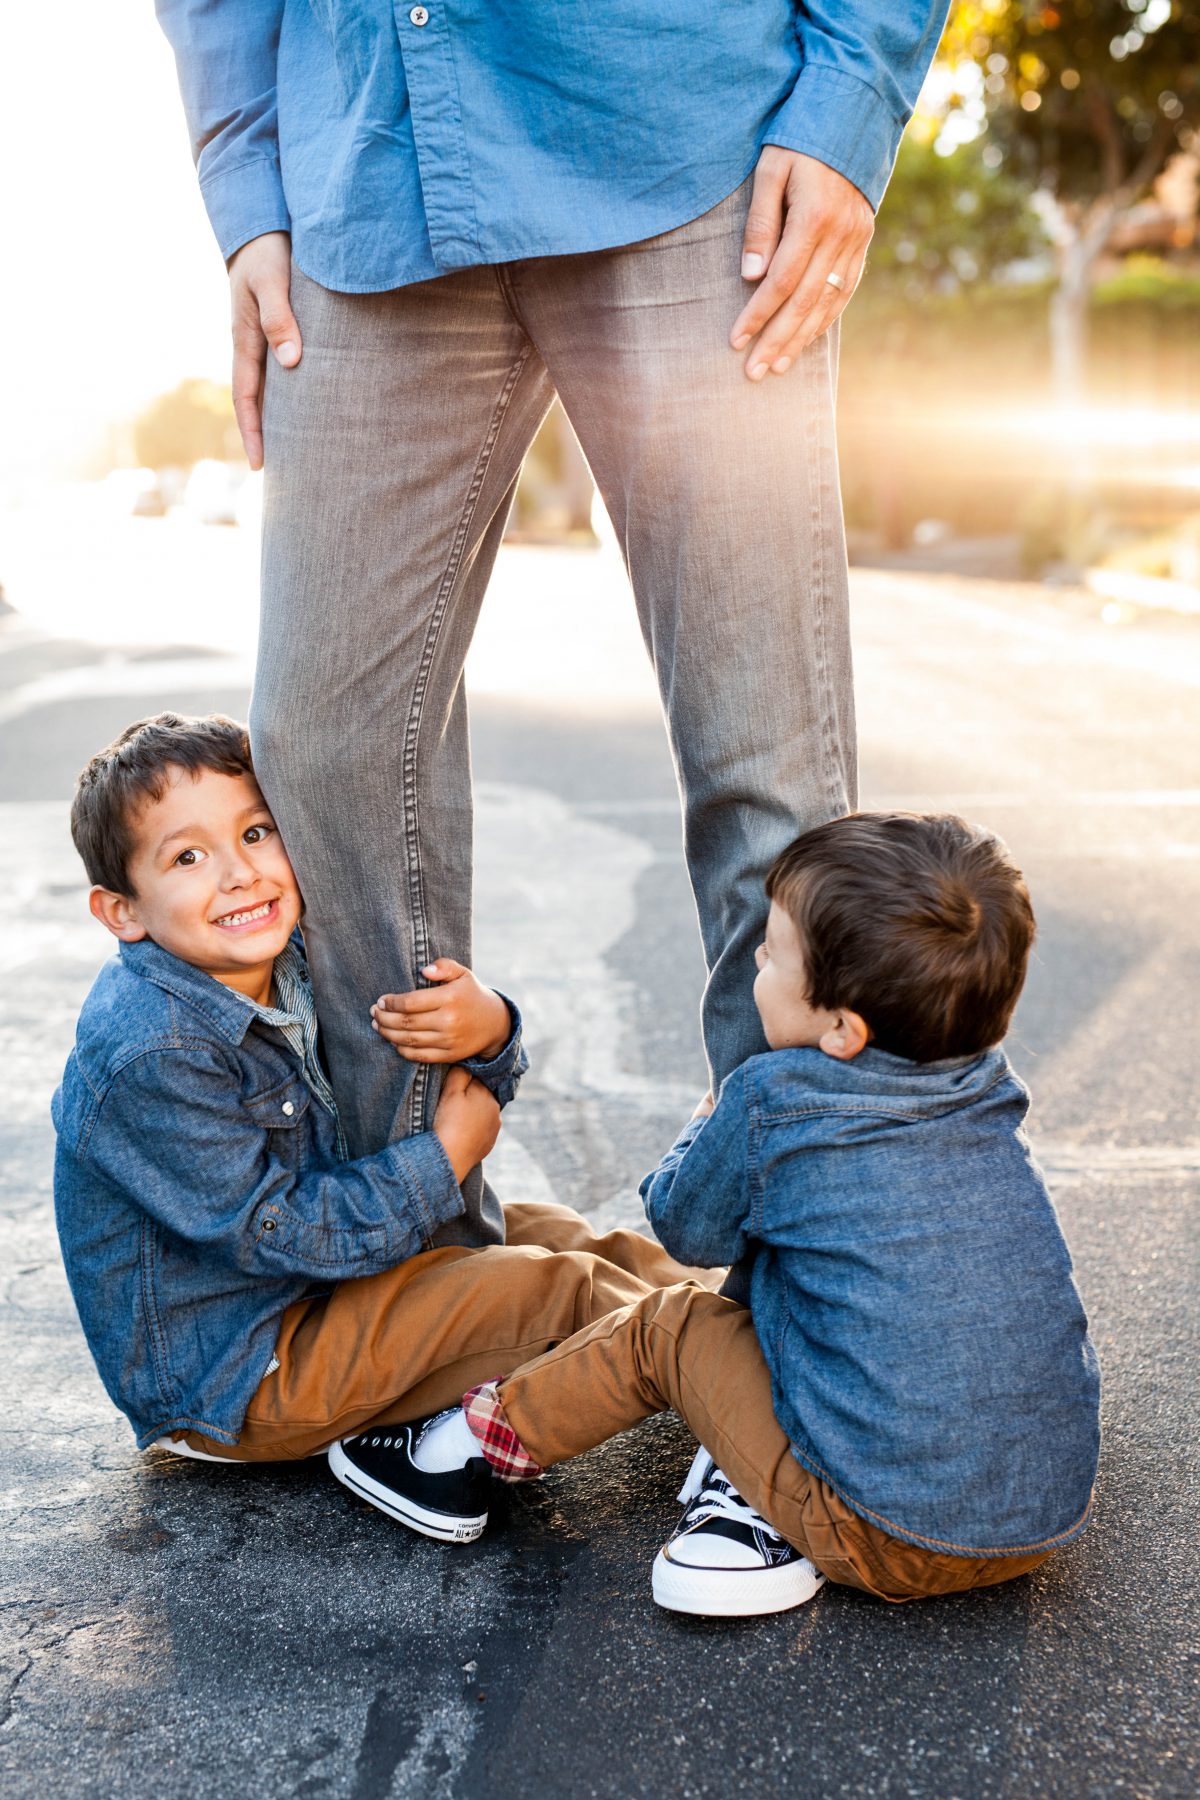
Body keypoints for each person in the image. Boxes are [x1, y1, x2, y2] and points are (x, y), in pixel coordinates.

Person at [155, 0, 953, 1246]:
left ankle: (803, 1301)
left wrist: (850, 102)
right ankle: (422, 1278)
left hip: (688, 141)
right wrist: (244, 178)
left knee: (767, 769)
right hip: (366, 176)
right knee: (325, 752)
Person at [331, 814, 1102, 1613]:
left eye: (775, 952)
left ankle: (456, 1453)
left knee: (669, 1326)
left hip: (885, 1533)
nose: (758, 959)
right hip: (1044, 1513)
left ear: (842, 1029)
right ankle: (767, 1469)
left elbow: (687, 1230)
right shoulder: (985, 1089)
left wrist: (706, 1125)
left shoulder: (774, 1100)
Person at [51, 713, 715, 1514]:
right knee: (551, 1286)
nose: (238, 873)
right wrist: (442, 1163)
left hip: (327, 1288)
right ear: (122, 911)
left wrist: (491, 1029)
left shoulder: (289, 954)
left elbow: (432, 1102)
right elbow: (273, 1231)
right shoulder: (152, 1049)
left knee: (556, 1233)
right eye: (188, 857)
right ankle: (738, 1391)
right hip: (246, 1376)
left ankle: (749, 1319)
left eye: (257, 832)